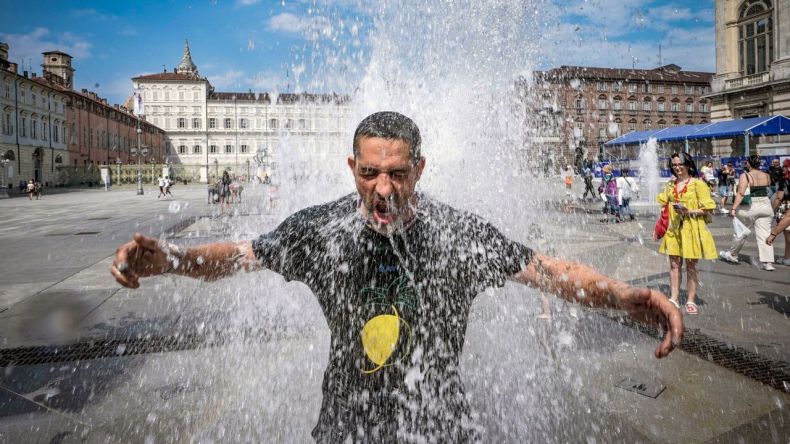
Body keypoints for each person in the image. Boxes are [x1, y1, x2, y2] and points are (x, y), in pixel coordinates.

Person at [110, 112, 682, 442]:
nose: (384, 189)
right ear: (352, 168)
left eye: (398, 173)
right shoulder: (320, 231)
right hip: (345, 426)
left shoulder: (457, 235)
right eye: (370, 173)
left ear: (420, 169)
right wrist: (173, 260)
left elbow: (550, 272)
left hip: (439, 426)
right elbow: (238, 256)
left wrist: (623, 296)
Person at [657, 153, 717, 315]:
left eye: (680, 164)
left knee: (691, 266)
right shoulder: (671, 185)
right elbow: (664, 203)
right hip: (674, 229)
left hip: (692, 229)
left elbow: (708, 209)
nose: (677, 167)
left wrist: (688, 211)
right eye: (674, 164)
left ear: (688, 165)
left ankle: (690, 300)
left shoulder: (698, 184)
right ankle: (674, 298)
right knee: (674, 265)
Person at [719, 155, 775, 271]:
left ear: (749, 163)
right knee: (765, 234)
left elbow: (741, 193)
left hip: (751, 206)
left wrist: (733, 208)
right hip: (766, 204)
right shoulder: (766, 175)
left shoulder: (745, 176)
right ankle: (768, 262)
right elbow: (768, 190)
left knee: (741, 231)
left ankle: (733, 254)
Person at [768, 159, 790, 265]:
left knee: (787, 235)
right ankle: (786, 258)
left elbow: (779, 198)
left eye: (784, 166)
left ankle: (787, 258)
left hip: (785, 206)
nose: (783, 168)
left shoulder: (784, 180)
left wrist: (772, 210)